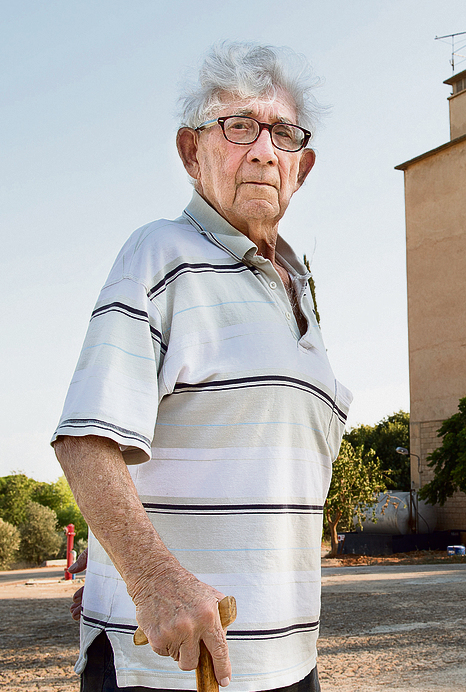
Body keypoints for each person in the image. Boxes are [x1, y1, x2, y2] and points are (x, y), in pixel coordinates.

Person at [52, 42, 351, 692]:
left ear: (302, 166)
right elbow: (85, 440)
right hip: (174, 673)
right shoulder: (162, 255)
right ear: (193, 152)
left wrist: (120, 561)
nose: (265, 151)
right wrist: (149, 577)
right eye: (239, 127)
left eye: (283, 133)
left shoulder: (297, 284)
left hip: (290, 665)